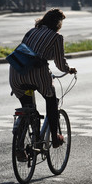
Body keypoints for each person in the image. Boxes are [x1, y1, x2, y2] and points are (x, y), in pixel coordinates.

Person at [9, 8, 77, 148]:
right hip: (37, 75)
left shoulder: (31, 31)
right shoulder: (56, 37)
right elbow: (59, 62)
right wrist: (68, 69)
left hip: (16, 73)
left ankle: (20, 146)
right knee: (51, 99)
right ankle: (55, 137)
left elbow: (26, 51)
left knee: (27, 107)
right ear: (58, 23)